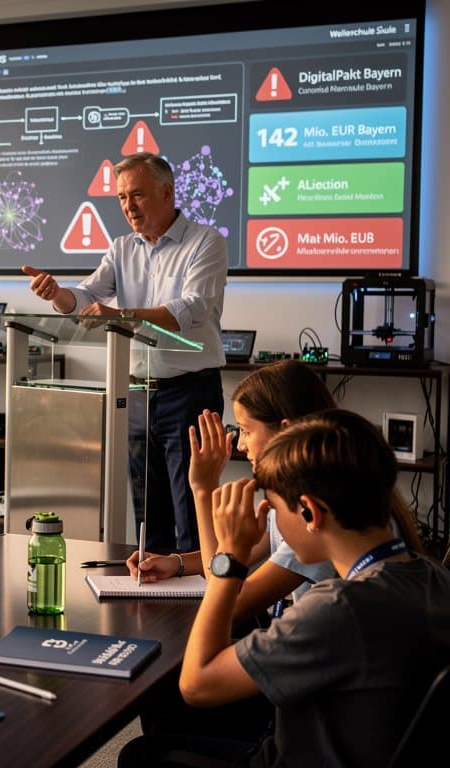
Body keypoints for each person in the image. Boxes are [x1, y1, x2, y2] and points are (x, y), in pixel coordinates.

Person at [124, 409, 450, 766]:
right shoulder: (433, 574)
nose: (273, 522)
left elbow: (196, 684)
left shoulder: (338, 609)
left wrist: (230, 556)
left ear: (310, 513)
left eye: (275, 508)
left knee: (141, 755)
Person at [23, 151, 228, 552]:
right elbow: (87, 296)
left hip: (189, 393)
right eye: (121, 197)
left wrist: (121, 314)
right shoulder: (121, 248)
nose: (128, 206)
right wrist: (58, 295)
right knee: (148, 513)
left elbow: (192, 309)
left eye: (137, 195)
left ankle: (199, 589)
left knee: (191, 510)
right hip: (135, 393)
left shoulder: (206, 241)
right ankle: (151, 584)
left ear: (167, 193)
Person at [128, 359, 425, 627]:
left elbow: (230, 601)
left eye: (246, 430)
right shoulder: (309, 496)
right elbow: (232, 557)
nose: (240, 445)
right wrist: (177, 563)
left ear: (284, 430)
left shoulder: (313, 516)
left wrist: (203, 491)